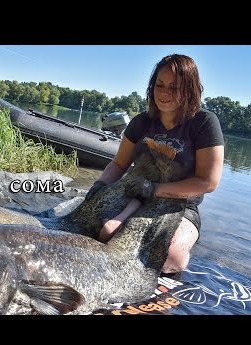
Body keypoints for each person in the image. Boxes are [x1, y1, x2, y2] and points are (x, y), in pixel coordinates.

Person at [86, 54, 224, 274]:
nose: (164, 92)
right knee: (106, 232)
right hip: (134, 194)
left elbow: (208, 182)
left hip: (180, 206)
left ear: (189, 89)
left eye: (174, 87)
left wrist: (155, 189)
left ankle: (184, 239)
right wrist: (100, 185)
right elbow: (119, 164)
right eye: (159, 84)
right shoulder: (141, 122)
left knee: (171, 259)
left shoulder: (204, 123)